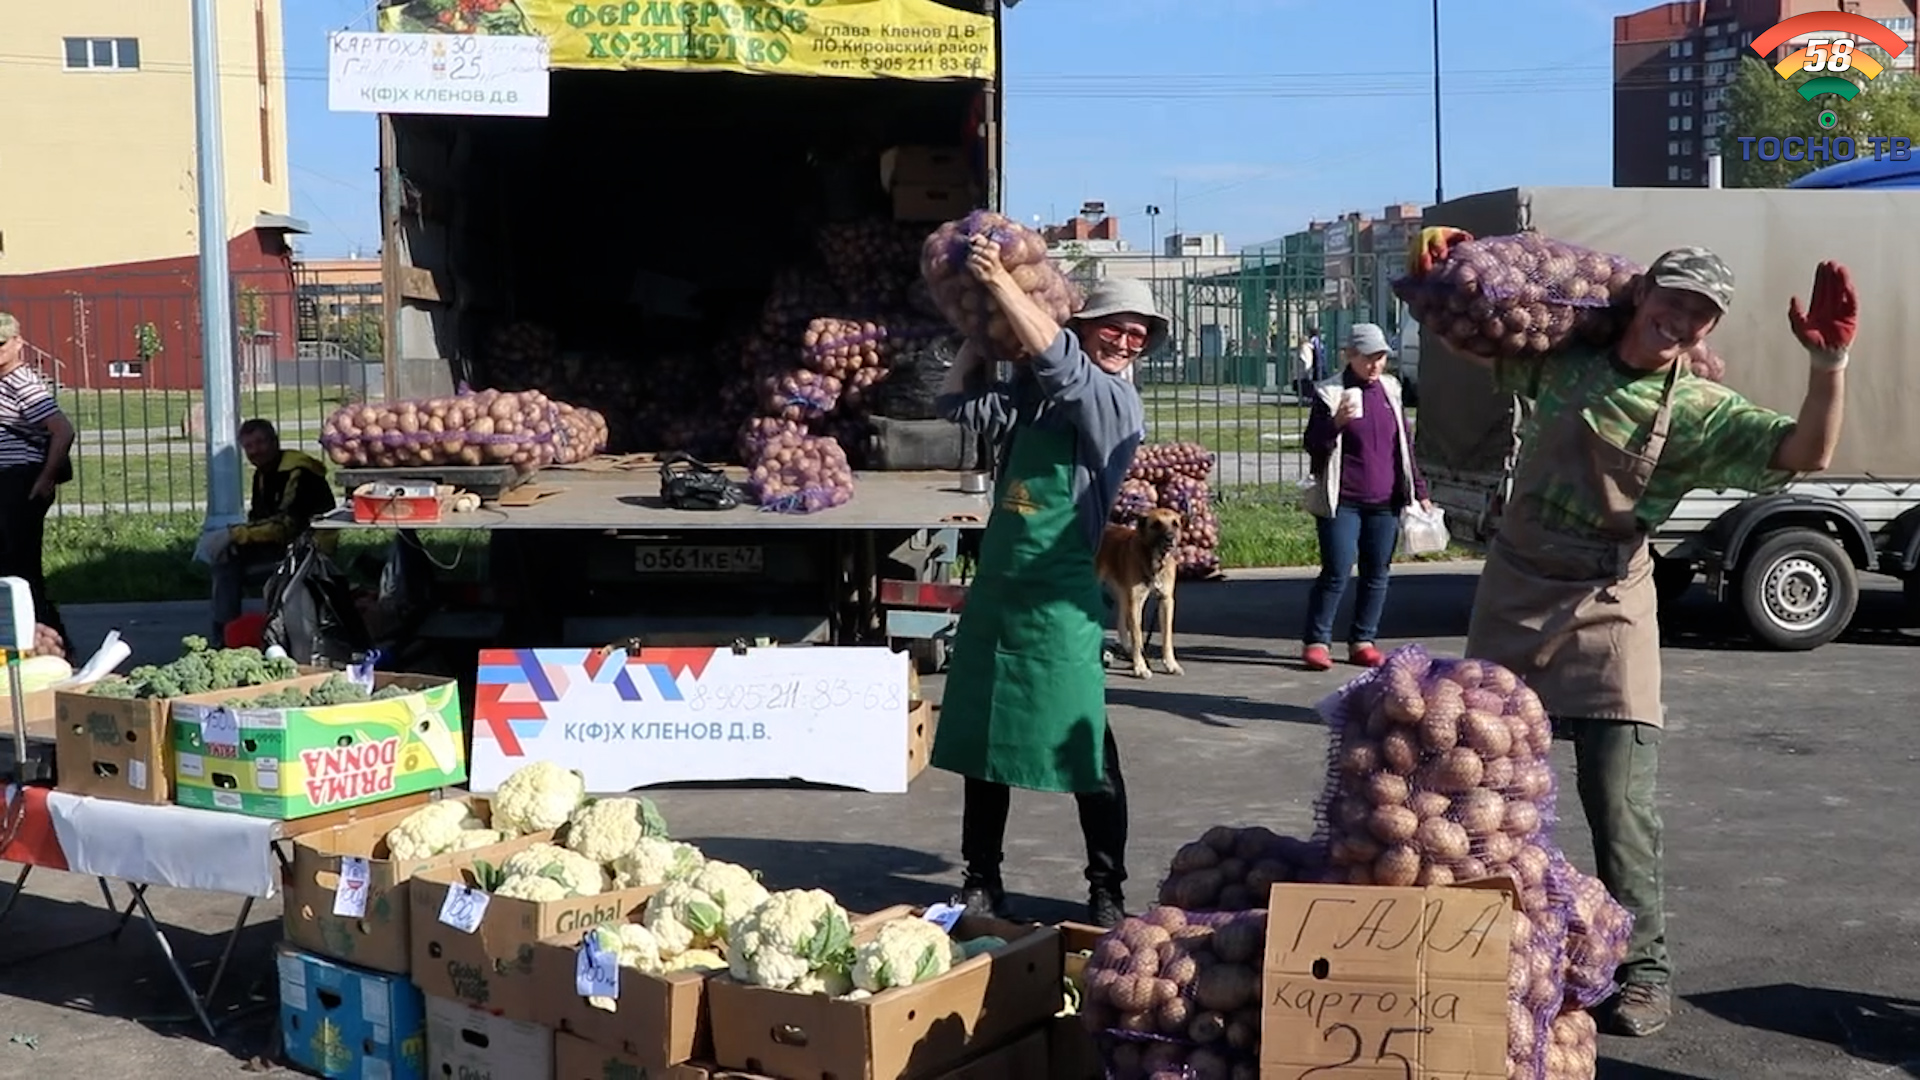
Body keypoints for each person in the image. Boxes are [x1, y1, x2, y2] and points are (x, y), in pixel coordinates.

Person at [1419, 230, 1856, 1039]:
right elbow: (1475, 335)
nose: (1682, 318)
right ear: (1645, 294)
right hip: (1515, 585)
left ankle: (1644, 969)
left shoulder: (1699, 408)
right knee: (1479, 785)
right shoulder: (1564, 358)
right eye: (1674, 298)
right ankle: (1472, 943)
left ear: (1707, 328)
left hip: (1609, 600)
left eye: (1701, 312)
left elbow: (1808, 452)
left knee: (1619, 804)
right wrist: (1446, 269)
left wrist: (1826, 366)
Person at [933, 244, 1157, 929]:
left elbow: (1060, 362)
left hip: (1060, 605)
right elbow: (955, 405)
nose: (1124, 342)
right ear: (1086, 327)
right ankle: (980, 880)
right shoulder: (1035, 404)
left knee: (1087, 748)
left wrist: (999, 280)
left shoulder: (1113, 400)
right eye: (1111, 328)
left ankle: (1106, 888)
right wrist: (978, 332)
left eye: (1136, 335)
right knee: (984, 745)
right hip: (1001, 596)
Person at [1299, 323, 1430, 672]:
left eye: (1381, 357)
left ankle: (1363, 640)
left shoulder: (1390, 390)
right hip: (1342, 499)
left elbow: (1403, 445)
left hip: (1385, 499)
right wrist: (1336, 423)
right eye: (1368, 358)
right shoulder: (1330, 392)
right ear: (1349, 356)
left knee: (1377, 572)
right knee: (1337, 569)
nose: (1376, 365)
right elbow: (1313, 445)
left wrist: (1419, 490)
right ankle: (1317, 640)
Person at [210, 418, 336, 643]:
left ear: (275, 441)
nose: (255, 451)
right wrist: (234, 540)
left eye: (260, 443)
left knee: (230, 565)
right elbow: (259, 520)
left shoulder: (298, 473)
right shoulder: (263, 474)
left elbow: (286, 526)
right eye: (249, 446)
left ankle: (240, 635)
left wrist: (236, 534)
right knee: (226, 558)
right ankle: (227, 631)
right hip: (281, 548)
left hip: (309, 552)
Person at [0, 313, 76, 653]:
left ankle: (53, 644)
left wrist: (44, 479)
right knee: (12, 566)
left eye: (1, 344)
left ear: (18, 344)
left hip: (22, 481)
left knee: (19, 568)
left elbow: (63, 429)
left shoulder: (22, 383)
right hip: (9, 480)